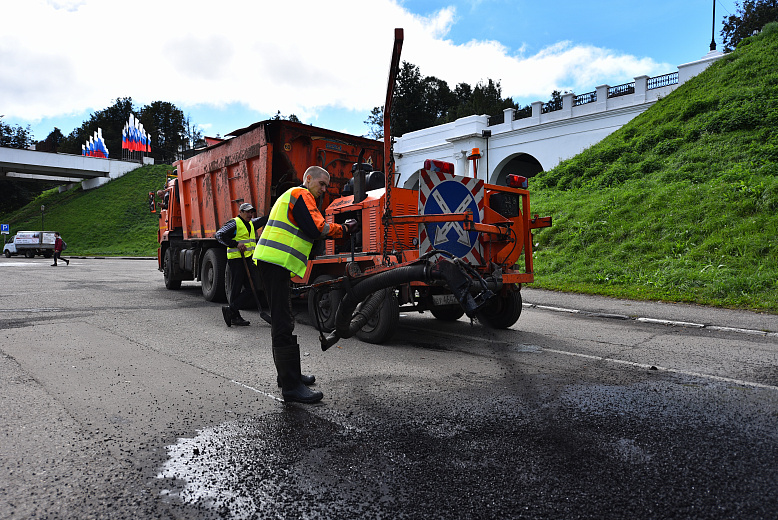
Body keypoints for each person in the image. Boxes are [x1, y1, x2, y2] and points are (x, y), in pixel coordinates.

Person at [254, 166, 357, 404]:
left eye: (326, 186)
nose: (324, 190)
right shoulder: (301, 195)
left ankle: (288, 376)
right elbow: (316, 227)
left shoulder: (292, 196)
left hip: (274, 264)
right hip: (274, 263)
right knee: (282, 323)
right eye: (321, 184)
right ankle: (291, 387)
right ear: (308, 179)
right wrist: (345, 229)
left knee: (284, 320)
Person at [215, 202, 269, 327]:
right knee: (236, 287)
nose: (250, 214)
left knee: (252, 288)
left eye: (251, 212)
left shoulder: (251, 223)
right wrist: (235, 243)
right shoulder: (234, 223)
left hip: (247, 259)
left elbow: (262, 220)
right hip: (236, 259)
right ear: (241, 212)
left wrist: (274, 213)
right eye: (247, 212)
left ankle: (231, 309)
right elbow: (219, 235)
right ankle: (234, 315)